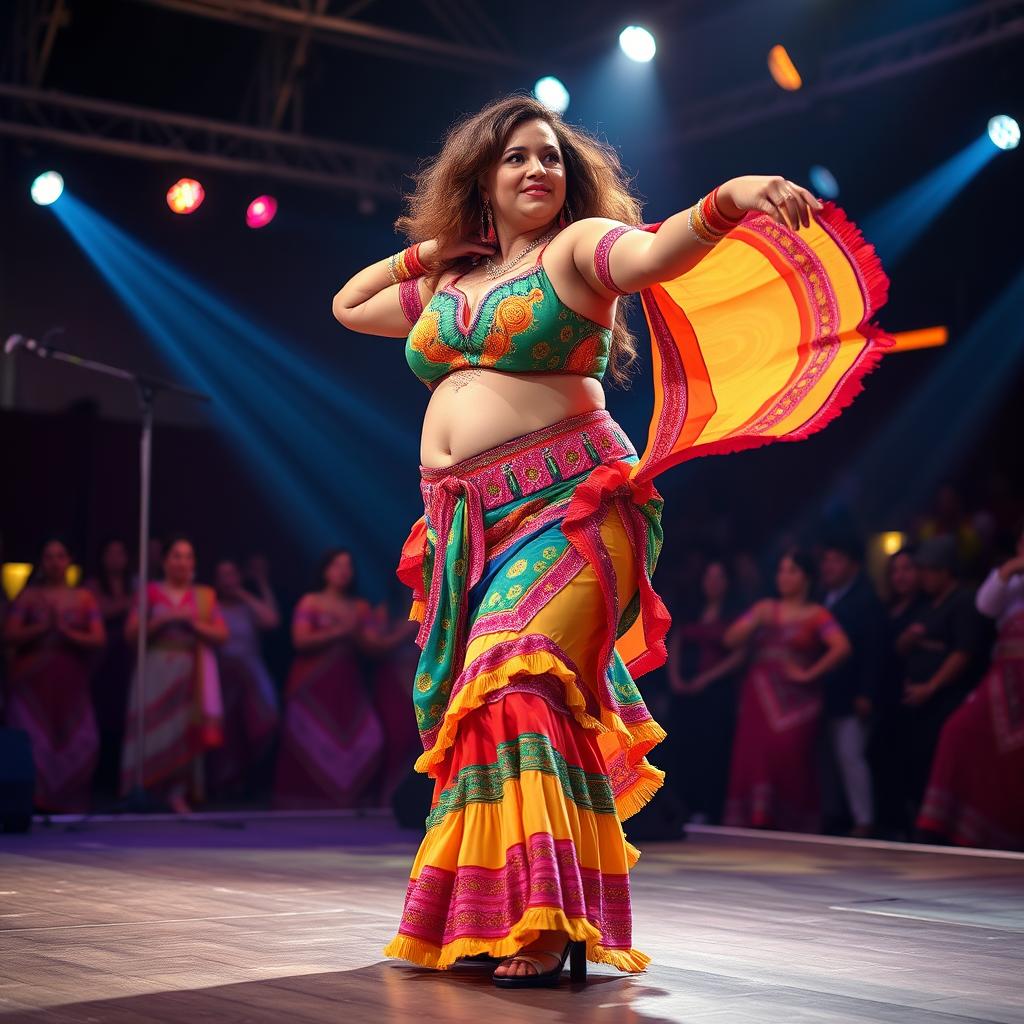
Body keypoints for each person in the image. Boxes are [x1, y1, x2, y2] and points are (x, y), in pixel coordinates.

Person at [332, 95, 890, 985]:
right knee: (489, 706)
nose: (536, 171)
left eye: (549, 156)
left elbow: (652, 252)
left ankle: (549, 924)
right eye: (514, 158)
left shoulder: (578, 247)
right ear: (482, 175)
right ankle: (494, 915)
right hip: (473, 527)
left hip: (577, 505)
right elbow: (349, 305)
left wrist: (730, 197)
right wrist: (443, 246)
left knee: (513, 672)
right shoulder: (450, 284)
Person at [723, 549, 851, 832]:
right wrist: (754, 624)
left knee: (790, 755)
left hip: (798, 700)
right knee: (757, 755)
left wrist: (810, 673)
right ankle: (758, 818)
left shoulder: (817, 614)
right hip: (759, 695)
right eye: (781, 570)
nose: (784, 577)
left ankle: (789, 821)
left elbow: (842, 647)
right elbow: (730, 639)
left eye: (792, 571)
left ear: (806, 577)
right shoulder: (765, 609)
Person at [916, 522, 1024, 849]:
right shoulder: (1012, 583)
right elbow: (985, 606)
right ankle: (943, 826)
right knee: (958, 732)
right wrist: (1010, 569)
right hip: (1003, 686)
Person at [120, 536, 228, 814]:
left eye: (188, 556)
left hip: (190, 672)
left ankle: (177, 793)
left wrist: (192, 624)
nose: (182, 562)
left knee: (182, 733)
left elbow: (221, 634)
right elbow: (131, 634)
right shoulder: (150, 592)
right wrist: (163, 620)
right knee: (151, 728)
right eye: (176, 556)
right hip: (154, 669)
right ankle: (143, 790)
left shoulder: (204, 596)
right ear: (165, 561)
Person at [272, 549, 384, 809]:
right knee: (308, 739)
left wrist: (404, 629)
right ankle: (304, 803)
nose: (343, 571)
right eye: (337, 565)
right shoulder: (310, 602)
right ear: (325, 570)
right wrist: (340, 631)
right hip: (312, 686)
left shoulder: (360, 607)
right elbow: (300, 641)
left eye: (348, 566)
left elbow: (374, 647)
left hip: (348, 686)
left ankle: (346, 800)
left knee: (369, 739)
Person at [3, 539, 105, 813]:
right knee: (32, 740)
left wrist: (65, 631)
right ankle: (34, 800)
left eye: (60, 556)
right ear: (41, 561)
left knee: (82, 740)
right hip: (33, 683)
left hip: (70, 681)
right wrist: (42, 628)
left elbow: (98, 638)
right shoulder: (28, 597)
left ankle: (67, 802)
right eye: (49, 556)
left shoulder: (83, 597)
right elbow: (9, 635)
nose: (55, 562)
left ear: (69, 560)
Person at [896, 536, 986, 823]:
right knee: (914, 766)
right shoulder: (925, 604)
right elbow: (901, 645)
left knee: (939, 764)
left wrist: (931, 686)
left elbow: (963, 652)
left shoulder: (963, 601)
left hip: (947, 700)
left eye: (929, 569)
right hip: (917, 704)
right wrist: (909, 641)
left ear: (946, 570)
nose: (923, 576)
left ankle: (939, 828)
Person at [817, 534, 886, 838]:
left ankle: (864, 820)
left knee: (851, 755)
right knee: (830, 759)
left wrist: (866, 693)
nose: (828, 566)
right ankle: (836, 816)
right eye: (826, 559)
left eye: (836, 560)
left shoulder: (866, 601)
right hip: (825, 694)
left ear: (854, 565)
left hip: (853, 694)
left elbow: (874, 651)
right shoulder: (822, 597)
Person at [666, 559, 745, 823]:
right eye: (709, 577)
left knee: (712, 749)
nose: (713, 582)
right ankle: (682, 806)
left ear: (728, 582)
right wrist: (675, 677)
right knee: (682, 747)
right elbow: (675, 641)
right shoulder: (690, 610)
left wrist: (706, 679)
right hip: (684, 690)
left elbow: (740, 655)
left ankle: (708, 808)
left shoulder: (736, 614)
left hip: (716, 692)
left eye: (719, 577)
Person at [207, 559, 280, 801]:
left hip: (251, 673)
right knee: (225, 733)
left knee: (263, 722)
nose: (228, 580)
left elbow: (271, 619)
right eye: (223, 575)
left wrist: (252, 587)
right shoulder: (211, 605)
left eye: (232, 575)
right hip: (220, 675)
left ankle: (249, 784)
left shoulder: (247, 605)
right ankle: (222, 787)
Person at [869, 547, 928, 838]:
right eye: (895, 570)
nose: (901, 576)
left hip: (913, 698)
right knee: (878, 757)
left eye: (908, 568)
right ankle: (889, 826)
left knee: (909, 763)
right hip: (885, 696)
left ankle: (911, 828)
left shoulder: (927, 609)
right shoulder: (885, 609)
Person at [84, 538, 135, 800]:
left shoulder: (134, 584)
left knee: (124, 716)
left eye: (120, 553)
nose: (116, 558)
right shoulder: (93, 586)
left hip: (126, 657)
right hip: (102, 658)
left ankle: (120, 779)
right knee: (101, 714)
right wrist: (127, 604)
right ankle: (97, 780)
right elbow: (99, 611)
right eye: (110, 553)